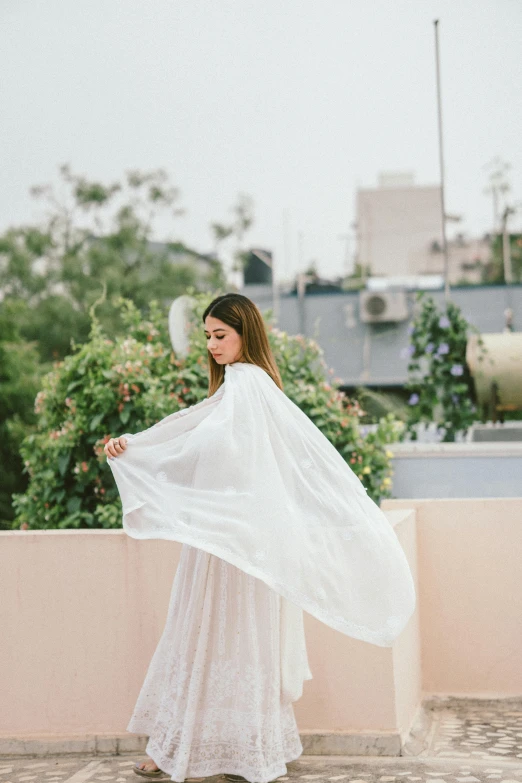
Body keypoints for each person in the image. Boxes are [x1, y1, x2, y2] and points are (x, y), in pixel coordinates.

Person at [105, 293, 416, 783]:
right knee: (222, 641)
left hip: (238, 546)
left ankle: (195, 751)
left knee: (213, 639)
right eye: (207, 335)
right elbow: (194, 430)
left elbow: (204, 444)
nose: (211, 345)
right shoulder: (241, 388)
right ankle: (204, 749)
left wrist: (138, 449)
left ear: (245, 333)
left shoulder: (249, 386)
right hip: (235, 542)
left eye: (220, 335)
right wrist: (136, 446)